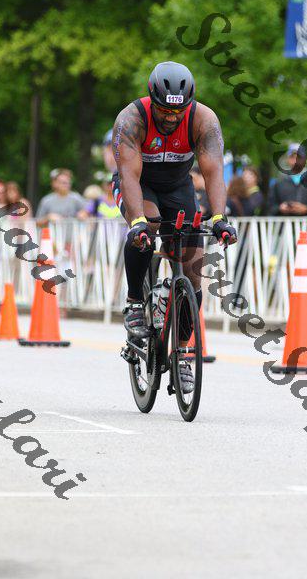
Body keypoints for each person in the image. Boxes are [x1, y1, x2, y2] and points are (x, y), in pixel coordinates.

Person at [112, 60, 237, 393]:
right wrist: (137, 223)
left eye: (177, 112)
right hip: (138, 185)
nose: (171, 117)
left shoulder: (204, 120)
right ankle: (135, 302)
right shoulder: (132, 119)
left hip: (178, 187)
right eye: (165, 111)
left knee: (194, 269)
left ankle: (182, 354)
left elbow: (213, 173)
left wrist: (219, 218)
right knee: (149, 225)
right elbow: (129, 176)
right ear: (152, 99)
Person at [267, 143, 307, 216]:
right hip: (286, 223)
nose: (295, 160)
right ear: (288, 159)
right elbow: (270, 207)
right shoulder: (279, 182)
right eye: (292, 157)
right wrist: (280, 208)